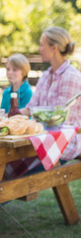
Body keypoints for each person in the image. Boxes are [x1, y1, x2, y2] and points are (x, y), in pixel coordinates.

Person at [23, 26, 81, 161]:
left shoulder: (70, 76)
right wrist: (10, 116)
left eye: (42, 45)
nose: (39, 49)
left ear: (54, 48)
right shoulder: (45, 75)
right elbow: (31, 108)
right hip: (44, 136)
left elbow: (62, 119)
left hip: (66, 141)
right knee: (8, 158)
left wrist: (34, 119)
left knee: (15, 160)